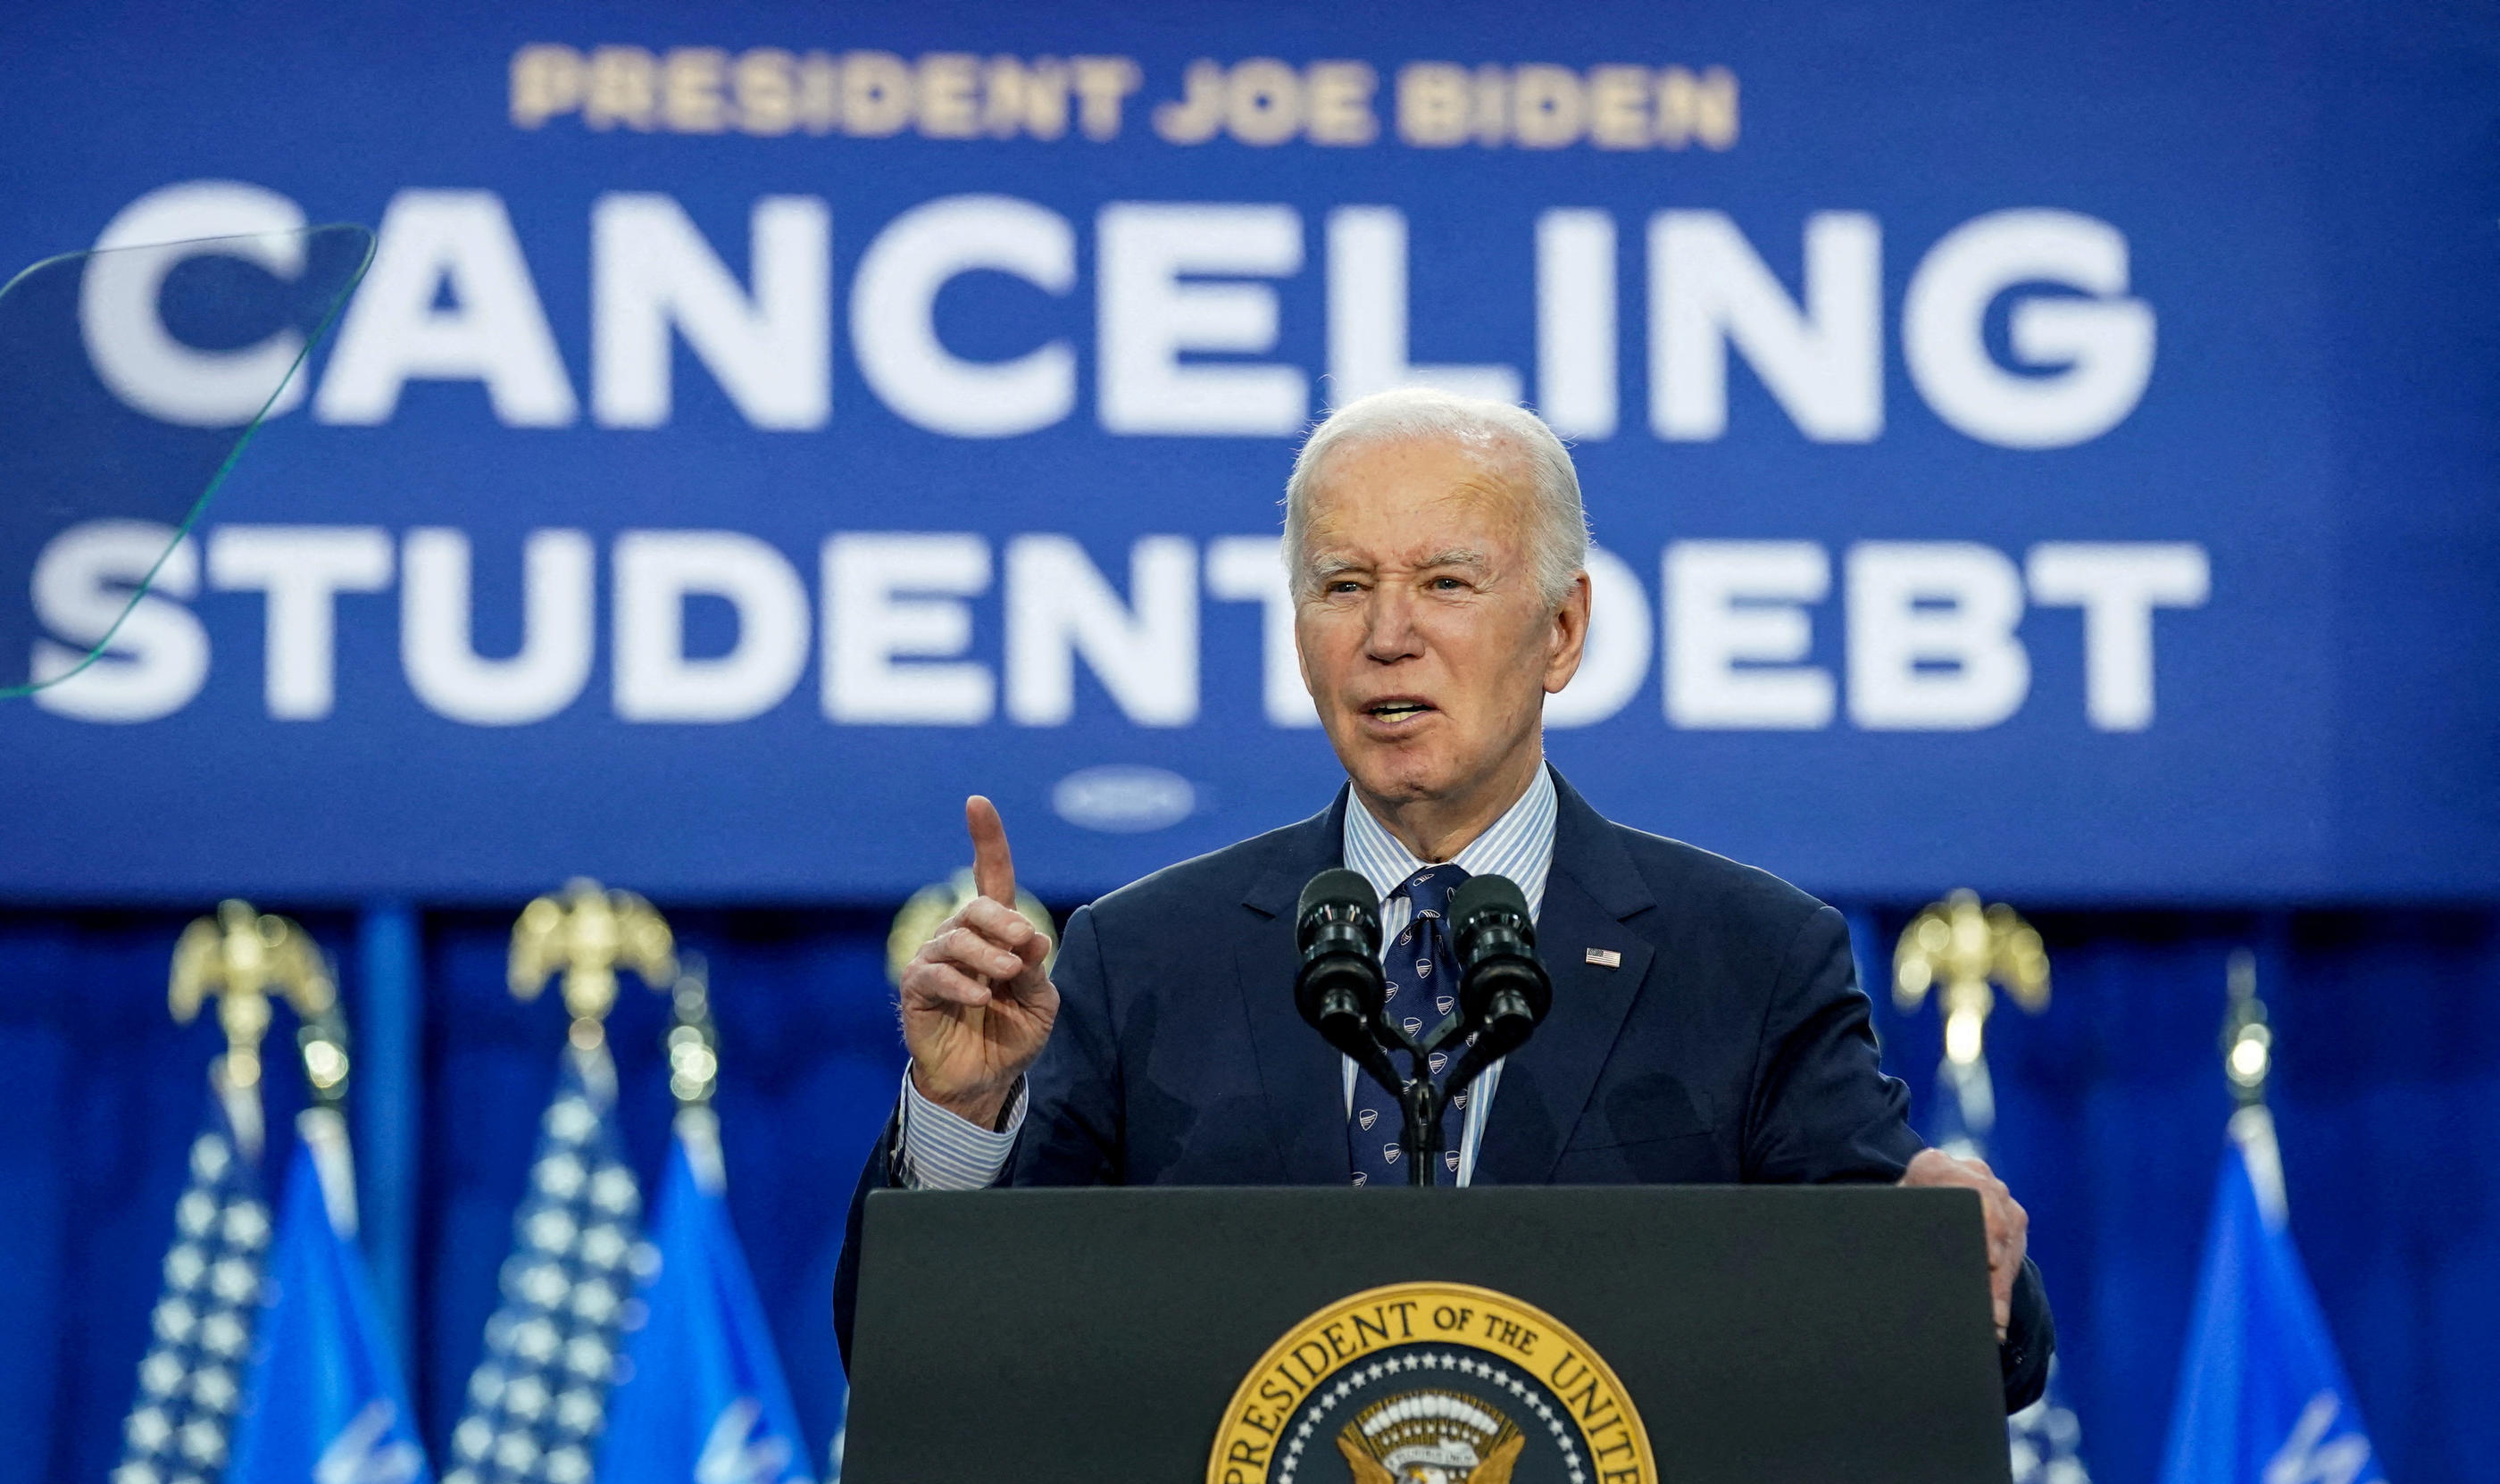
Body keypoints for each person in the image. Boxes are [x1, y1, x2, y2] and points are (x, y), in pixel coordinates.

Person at [838, 387, 2051, 1410]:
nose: (1388, 635)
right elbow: (929, 1367)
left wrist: (1949, 1247)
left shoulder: (1747, 957)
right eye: (1343, 584)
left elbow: (1955, 1334)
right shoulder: (1142, 956)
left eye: (1446, 583)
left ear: (1562, 630)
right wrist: (961, 1118)